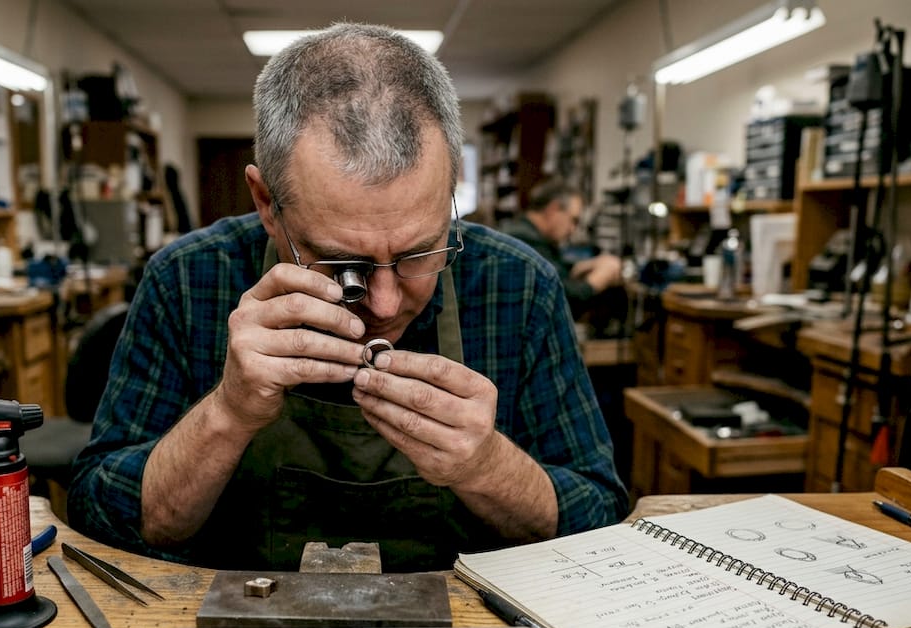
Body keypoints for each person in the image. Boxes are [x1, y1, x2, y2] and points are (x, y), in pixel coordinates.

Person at [68, 23, 628, 572]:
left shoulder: (519, 284)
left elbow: (600, 518)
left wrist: (486, 466)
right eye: (344, 265)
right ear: (267, 203)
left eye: (420, 252)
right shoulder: (188, 280)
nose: (384, 305)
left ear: (451, 186)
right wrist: (227, 414)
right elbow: (102, 517)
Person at [498, 179, 623, 319]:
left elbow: (554, 270)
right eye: (573, 220)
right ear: (553, 210)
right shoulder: (523, 240)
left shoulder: (529, 235)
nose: (572, 229)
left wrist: (582, 266)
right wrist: (598, 279)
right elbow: (561, 301)